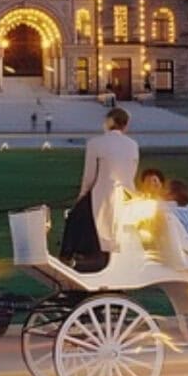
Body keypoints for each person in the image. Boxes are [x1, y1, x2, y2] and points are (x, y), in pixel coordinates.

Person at [59, 107, 138, 272]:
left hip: (101, 193)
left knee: (75, 218)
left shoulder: (96, 143)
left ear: (109, 122)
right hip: (125, 194)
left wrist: (82, 195)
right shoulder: (132, 145)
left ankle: (69, 256)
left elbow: (89, 176)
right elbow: (131, 172)